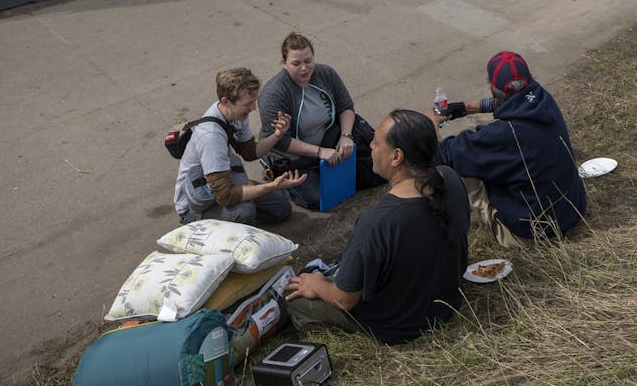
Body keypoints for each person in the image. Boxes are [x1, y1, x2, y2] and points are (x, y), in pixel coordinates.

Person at [283, 109, 469, 344]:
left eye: (376, 142)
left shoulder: (377, 222)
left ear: (396, 157)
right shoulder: (450, 178)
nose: (369, 145)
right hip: (447, 302)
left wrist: (318, 285)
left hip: (400, 325)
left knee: (294, 293)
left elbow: (344, 299)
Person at [427, 51, 587, 249]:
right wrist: (464, 108)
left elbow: (440, 153)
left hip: (533, 233)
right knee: (478, 153)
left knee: (453, 167)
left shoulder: (501, 135)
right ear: (531, 78)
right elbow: (509, 102)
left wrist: (430, 124)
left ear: (491, 88)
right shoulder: (542, 99)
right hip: (572, 209)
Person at [259, 32, 385, 210]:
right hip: (295, 157)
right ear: (284, 63)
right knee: (320, 199)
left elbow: (346, 106)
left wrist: (346, 136)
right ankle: (286, 178)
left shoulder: (325, 73)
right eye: (296, 63)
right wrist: (320, 152)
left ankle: (336, 173)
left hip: (330, 137)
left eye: (308, 61)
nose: (304, 68)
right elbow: (280, 140)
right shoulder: (273, 94)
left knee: (381, 167)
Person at [174, 67, 307, 226]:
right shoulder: (211, 137)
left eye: (254, 102)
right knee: (245, 211)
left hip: (220, 184)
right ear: (225, 101)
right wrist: (271, 186)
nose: (253, 108)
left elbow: (250, 152)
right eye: (248, 104)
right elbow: (225, 196)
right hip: (196, 205)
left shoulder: (234, 114)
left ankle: (234, 222)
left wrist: (277, 135)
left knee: (281, 208)